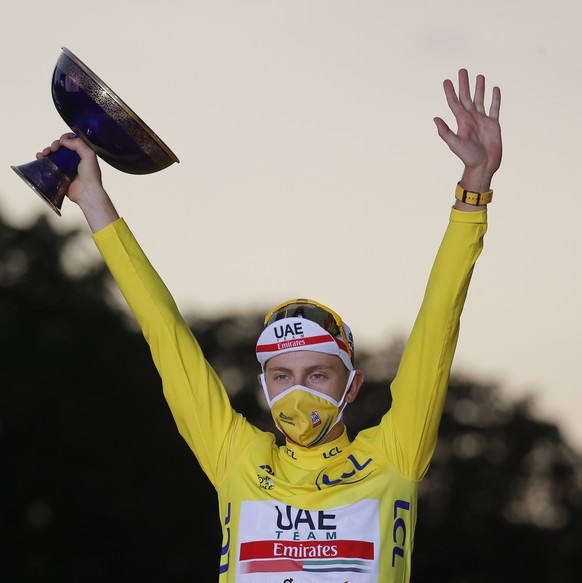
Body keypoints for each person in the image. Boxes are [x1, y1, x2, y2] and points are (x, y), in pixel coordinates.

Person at [37, 68, 501, 582]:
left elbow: (439, 323)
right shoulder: (236, 455)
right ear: (263, 384)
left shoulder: (393, 455)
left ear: (352, 385)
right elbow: (162, 330)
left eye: (318, 375)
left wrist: (473, 189)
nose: (297, 392)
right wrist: (94, 201)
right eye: (282, 376)